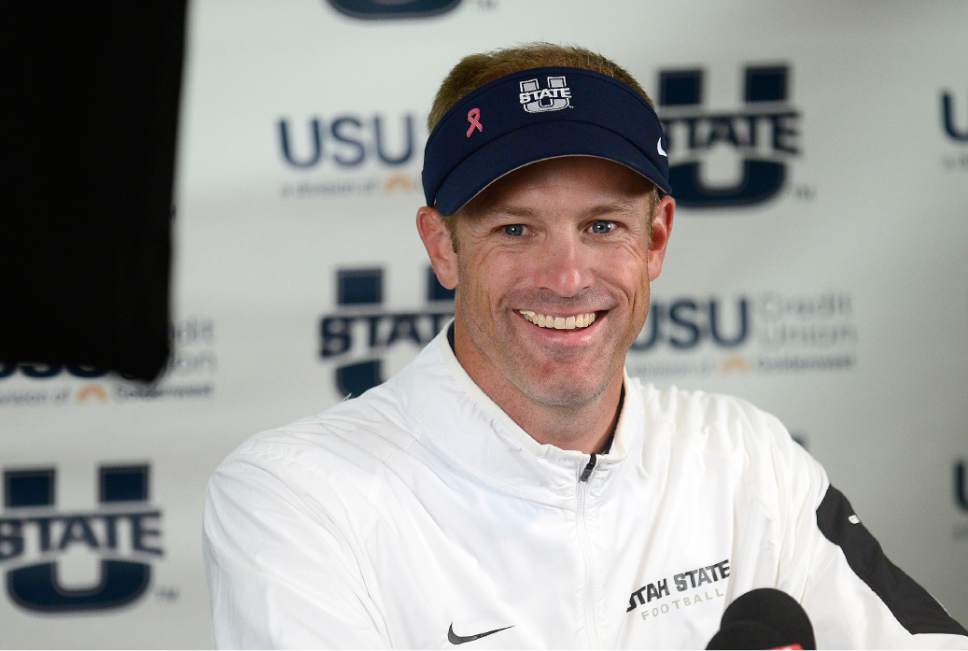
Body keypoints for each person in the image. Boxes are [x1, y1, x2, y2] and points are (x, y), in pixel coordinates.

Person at [203, 43, 968, 648]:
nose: (566, 278)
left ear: (656, 236)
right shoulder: (296, 493)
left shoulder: (743, 458)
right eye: (515, 229)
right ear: (443, 247)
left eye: (602, 225)